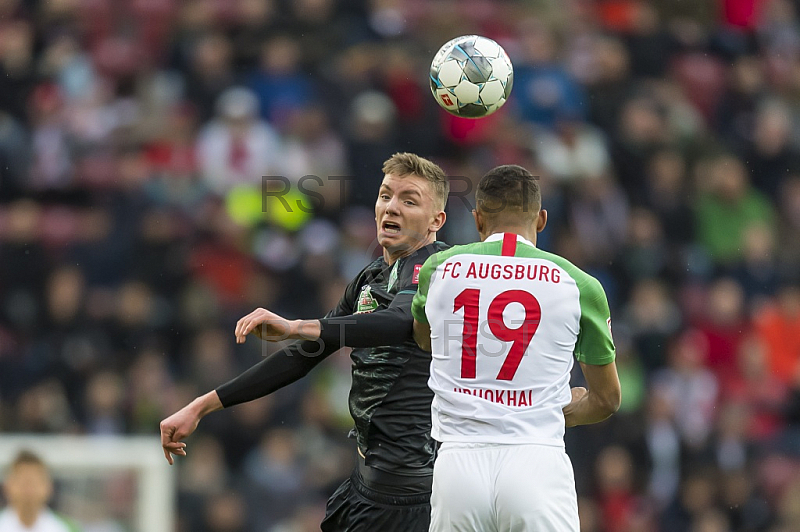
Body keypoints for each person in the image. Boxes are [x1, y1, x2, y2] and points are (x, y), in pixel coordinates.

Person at [160, 152, 449, 531]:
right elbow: (303, 356)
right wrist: (202, 405)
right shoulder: (371, 277)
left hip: (410, 492)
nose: (391, 207)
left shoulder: (441, 269)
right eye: (385, 195)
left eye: (409, 200)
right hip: (368, 481)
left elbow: (398, 322)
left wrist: (298, 326)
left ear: (436, 221)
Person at [411, 164, 622, 531]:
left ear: (477, 220)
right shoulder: (580, 284)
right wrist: (554, 409)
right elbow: (607, 400)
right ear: (541, 220)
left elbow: (425, 339)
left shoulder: (438, 268)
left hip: (457, 467)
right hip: (536, 462)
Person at [0, 451, 80, 532]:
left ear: (49, 486)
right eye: (23, 482)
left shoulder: (66, 528)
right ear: (7, 486)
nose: (28, 489)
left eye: (34, 482)